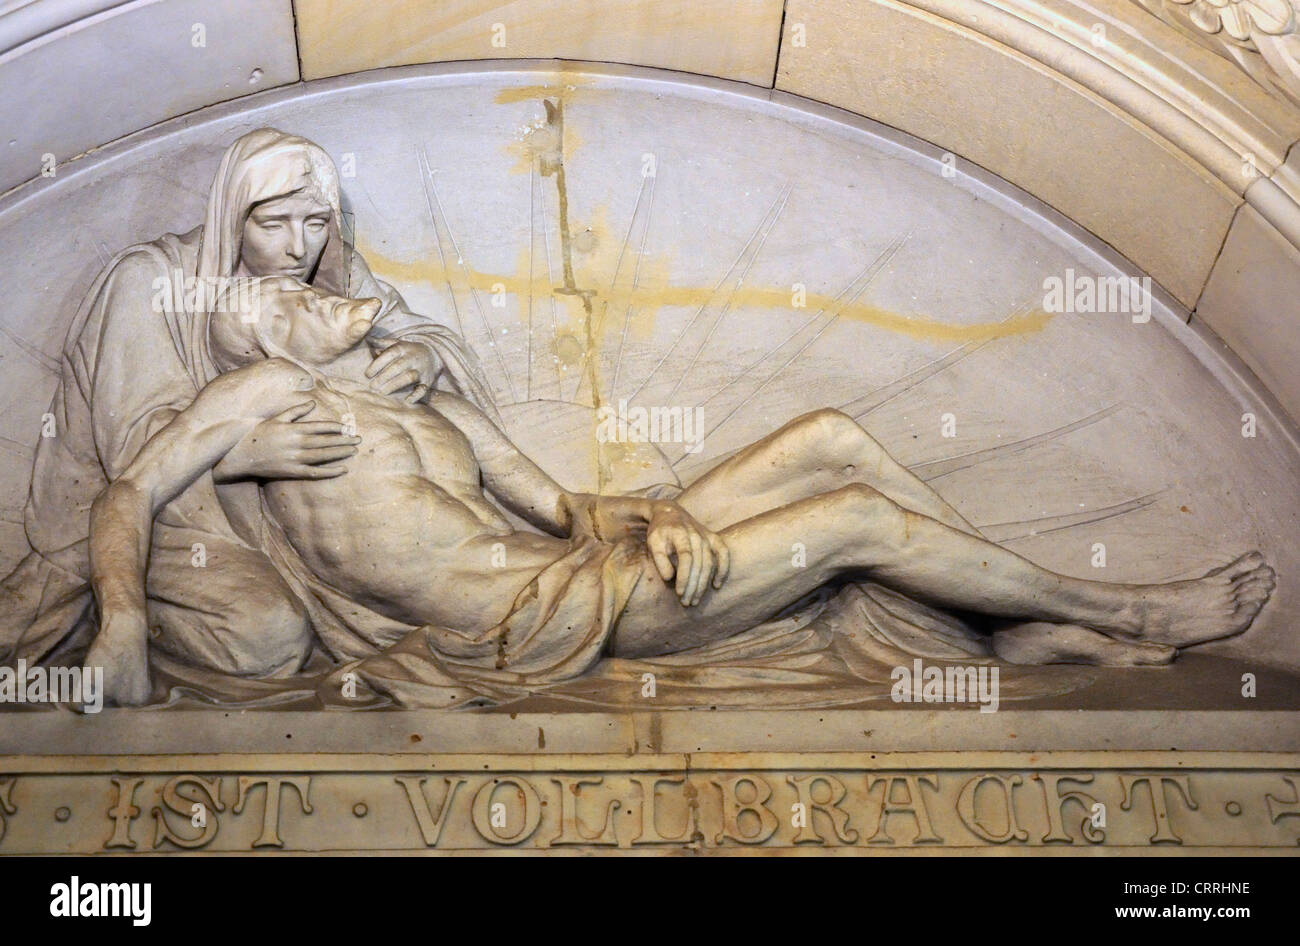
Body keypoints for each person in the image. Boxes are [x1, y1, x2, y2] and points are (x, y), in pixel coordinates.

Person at [86, 277, 1277, 705]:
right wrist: (127, 621)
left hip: (587, 565)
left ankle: (1007, 623)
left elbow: (571, 510)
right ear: (270, 342)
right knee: (851, 524)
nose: (320, 284)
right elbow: (131, 492)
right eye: (287, 298)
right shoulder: (271, 402)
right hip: (544, 623)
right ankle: (1129, 610)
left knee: (830, 437)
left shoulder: (428, 405)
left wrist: (650, 513)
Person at [0, 129, 496, 677]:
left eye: (315, 222)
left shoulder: (336, 270)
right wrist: (240, 455)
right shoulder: (152, 279)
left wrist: (424, 355)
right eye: (272, 224)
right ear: (233, 217)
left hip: (325, 530)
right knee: (265, 636)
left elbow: (419, 334)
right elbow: (128, 449)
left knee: (447, 584)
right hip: (175, 522)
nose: (297, 249)